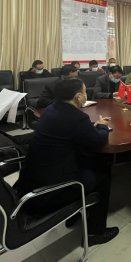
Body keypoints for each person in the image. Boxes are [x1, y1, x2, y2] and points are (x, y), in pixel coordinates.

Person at [16, 78, 119, 246]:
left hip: (33, 180)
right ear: (78, 97)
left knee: (89, 160)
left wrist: (89, 128)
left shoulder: (50, 109)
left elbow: (70, 131)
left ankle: (75, 213)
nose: (86, 96)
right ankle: (95, 232)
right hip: (50, 191)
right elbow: (99, 141)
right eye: (84, 93)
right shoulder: (76, 117)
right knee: (103, 173)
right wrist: (102, 126)